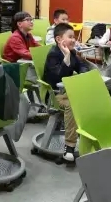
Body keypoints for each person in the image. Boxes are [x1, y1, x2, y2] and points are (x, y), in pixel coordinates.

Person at [44, 23, 89, 162]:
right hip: (55, 95)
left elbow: (82, 65)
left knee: (91, 100)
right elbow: (59, 77)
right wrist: (67, 56)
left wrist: (82, 74)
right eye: (70, 37)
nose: (74, 40)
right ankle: (69, 147)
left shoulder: (73, 52)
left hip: (69, 91)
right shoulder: (53, 55)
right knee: (72, 106)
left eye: (74, 37)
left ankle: (90, 139)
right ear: (59, 39)